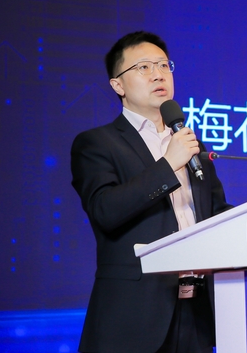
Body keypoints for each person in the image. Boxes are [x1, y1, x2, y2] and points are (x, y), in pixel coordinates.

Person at [71, 31, 232, 353]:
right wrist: (168, 163)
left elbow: (216, 215)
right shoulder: (97, 143)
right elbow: (105, 210)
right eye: (143, 67)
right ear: (118, 85)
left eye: (163, 65)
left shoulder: (192, 145)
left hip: (198, 315)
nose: (158, 74)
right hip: (134, 317)